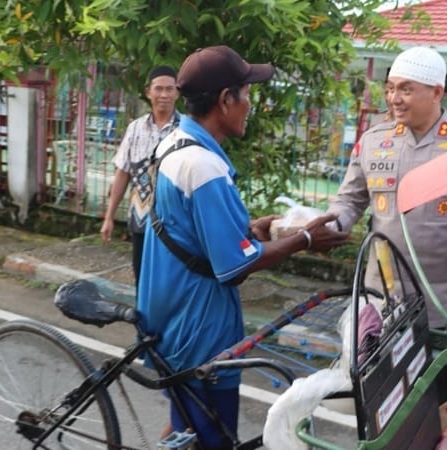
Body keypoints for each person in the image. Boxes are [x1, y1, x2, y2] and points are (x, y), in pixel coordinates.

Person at [136, 46, 349, 449]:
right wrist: (304, 239)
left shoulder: (175, 143)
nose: (250, 104)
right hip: (198, 329)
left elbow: (188, 229)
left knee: (188, 424)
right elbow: (234, 266)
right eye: (246, 94)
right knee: (212, 436)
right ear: (225, 100)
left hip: (170, 312)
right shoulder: (202, 166)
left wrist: (251, 228)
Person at [327, 46, 447, 403]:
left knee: (441, 403)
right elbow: (349, 201)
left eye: (406, 89)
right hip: (383, 303)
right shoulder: (373, 141)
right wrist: (326, 225)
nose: (394, 99)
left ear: (437, 92)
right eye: (390, 88)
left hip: (446, 307)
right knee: (382, 406)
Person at [100, 66, 181, 287]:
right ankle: (144, 321)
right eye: (159, 89)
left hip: (174, 224)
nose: (164, 94)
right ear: (148, 92)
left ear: (177, 93)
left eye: (169, 89)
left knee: (169, 282)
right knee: (142, 280)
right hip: (141, 221)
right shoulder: (135, 128)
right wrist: (109, 217)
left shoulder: (185, 130)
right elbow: (123, 173)